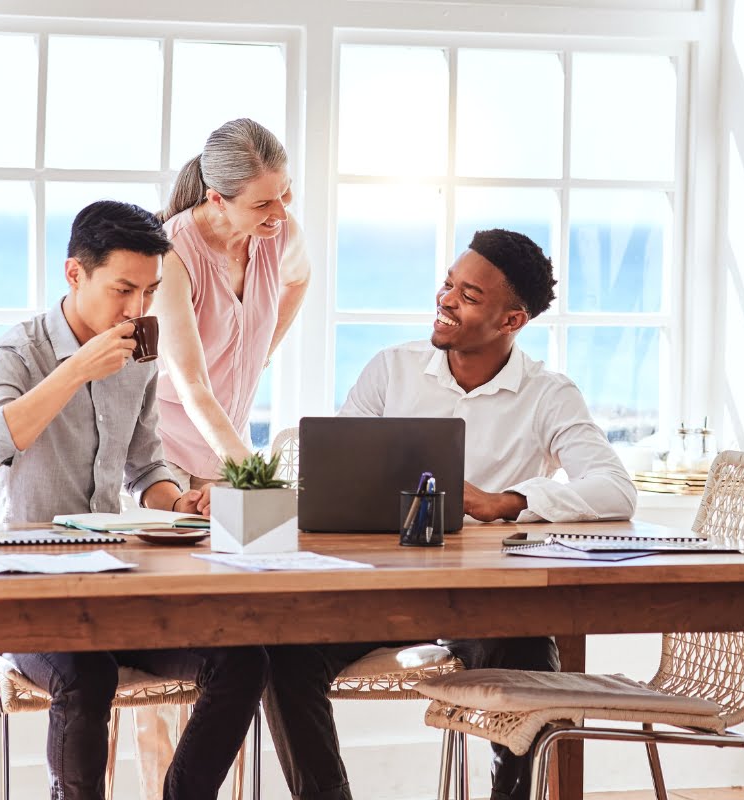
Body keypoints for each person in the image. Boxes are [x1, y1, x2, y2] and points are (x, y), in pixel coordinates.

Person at [262, 229, 637, 800]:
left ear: (512, 320)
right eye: (447, 283)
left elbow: (615, 489)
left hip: (481, 599)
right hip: (377, 593)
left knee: (532, 652)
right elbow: (329, 481)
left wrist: (504, 502)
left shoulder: (548, 394)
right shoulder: (392, 370)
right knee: (280, 654)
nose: (445, 300)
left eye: (469, 294)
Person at [0, 200, 267, 800]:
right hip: (26, 590)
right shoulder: (16, 353)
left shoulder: (136, 355)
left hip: (113, 585)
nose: (137, 310)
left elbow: (146, 463)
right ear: (74, 275)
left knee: (243, 659)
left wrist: (179, 501)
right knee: (88, 672)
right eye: (123, 290)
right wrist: (75, 370)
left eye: (150, 292)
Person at [152, 117, 311, 489]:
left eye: (285, 194)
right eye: (262, 203)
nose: (280, 212)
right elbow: (191, 384)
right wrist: (253, 478)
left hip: (224, 442)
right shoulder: (173, 256)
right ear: (218, 200)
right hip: (164, 452)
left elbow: (299, 279)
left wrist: (260, 353)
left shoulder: (279, 232)